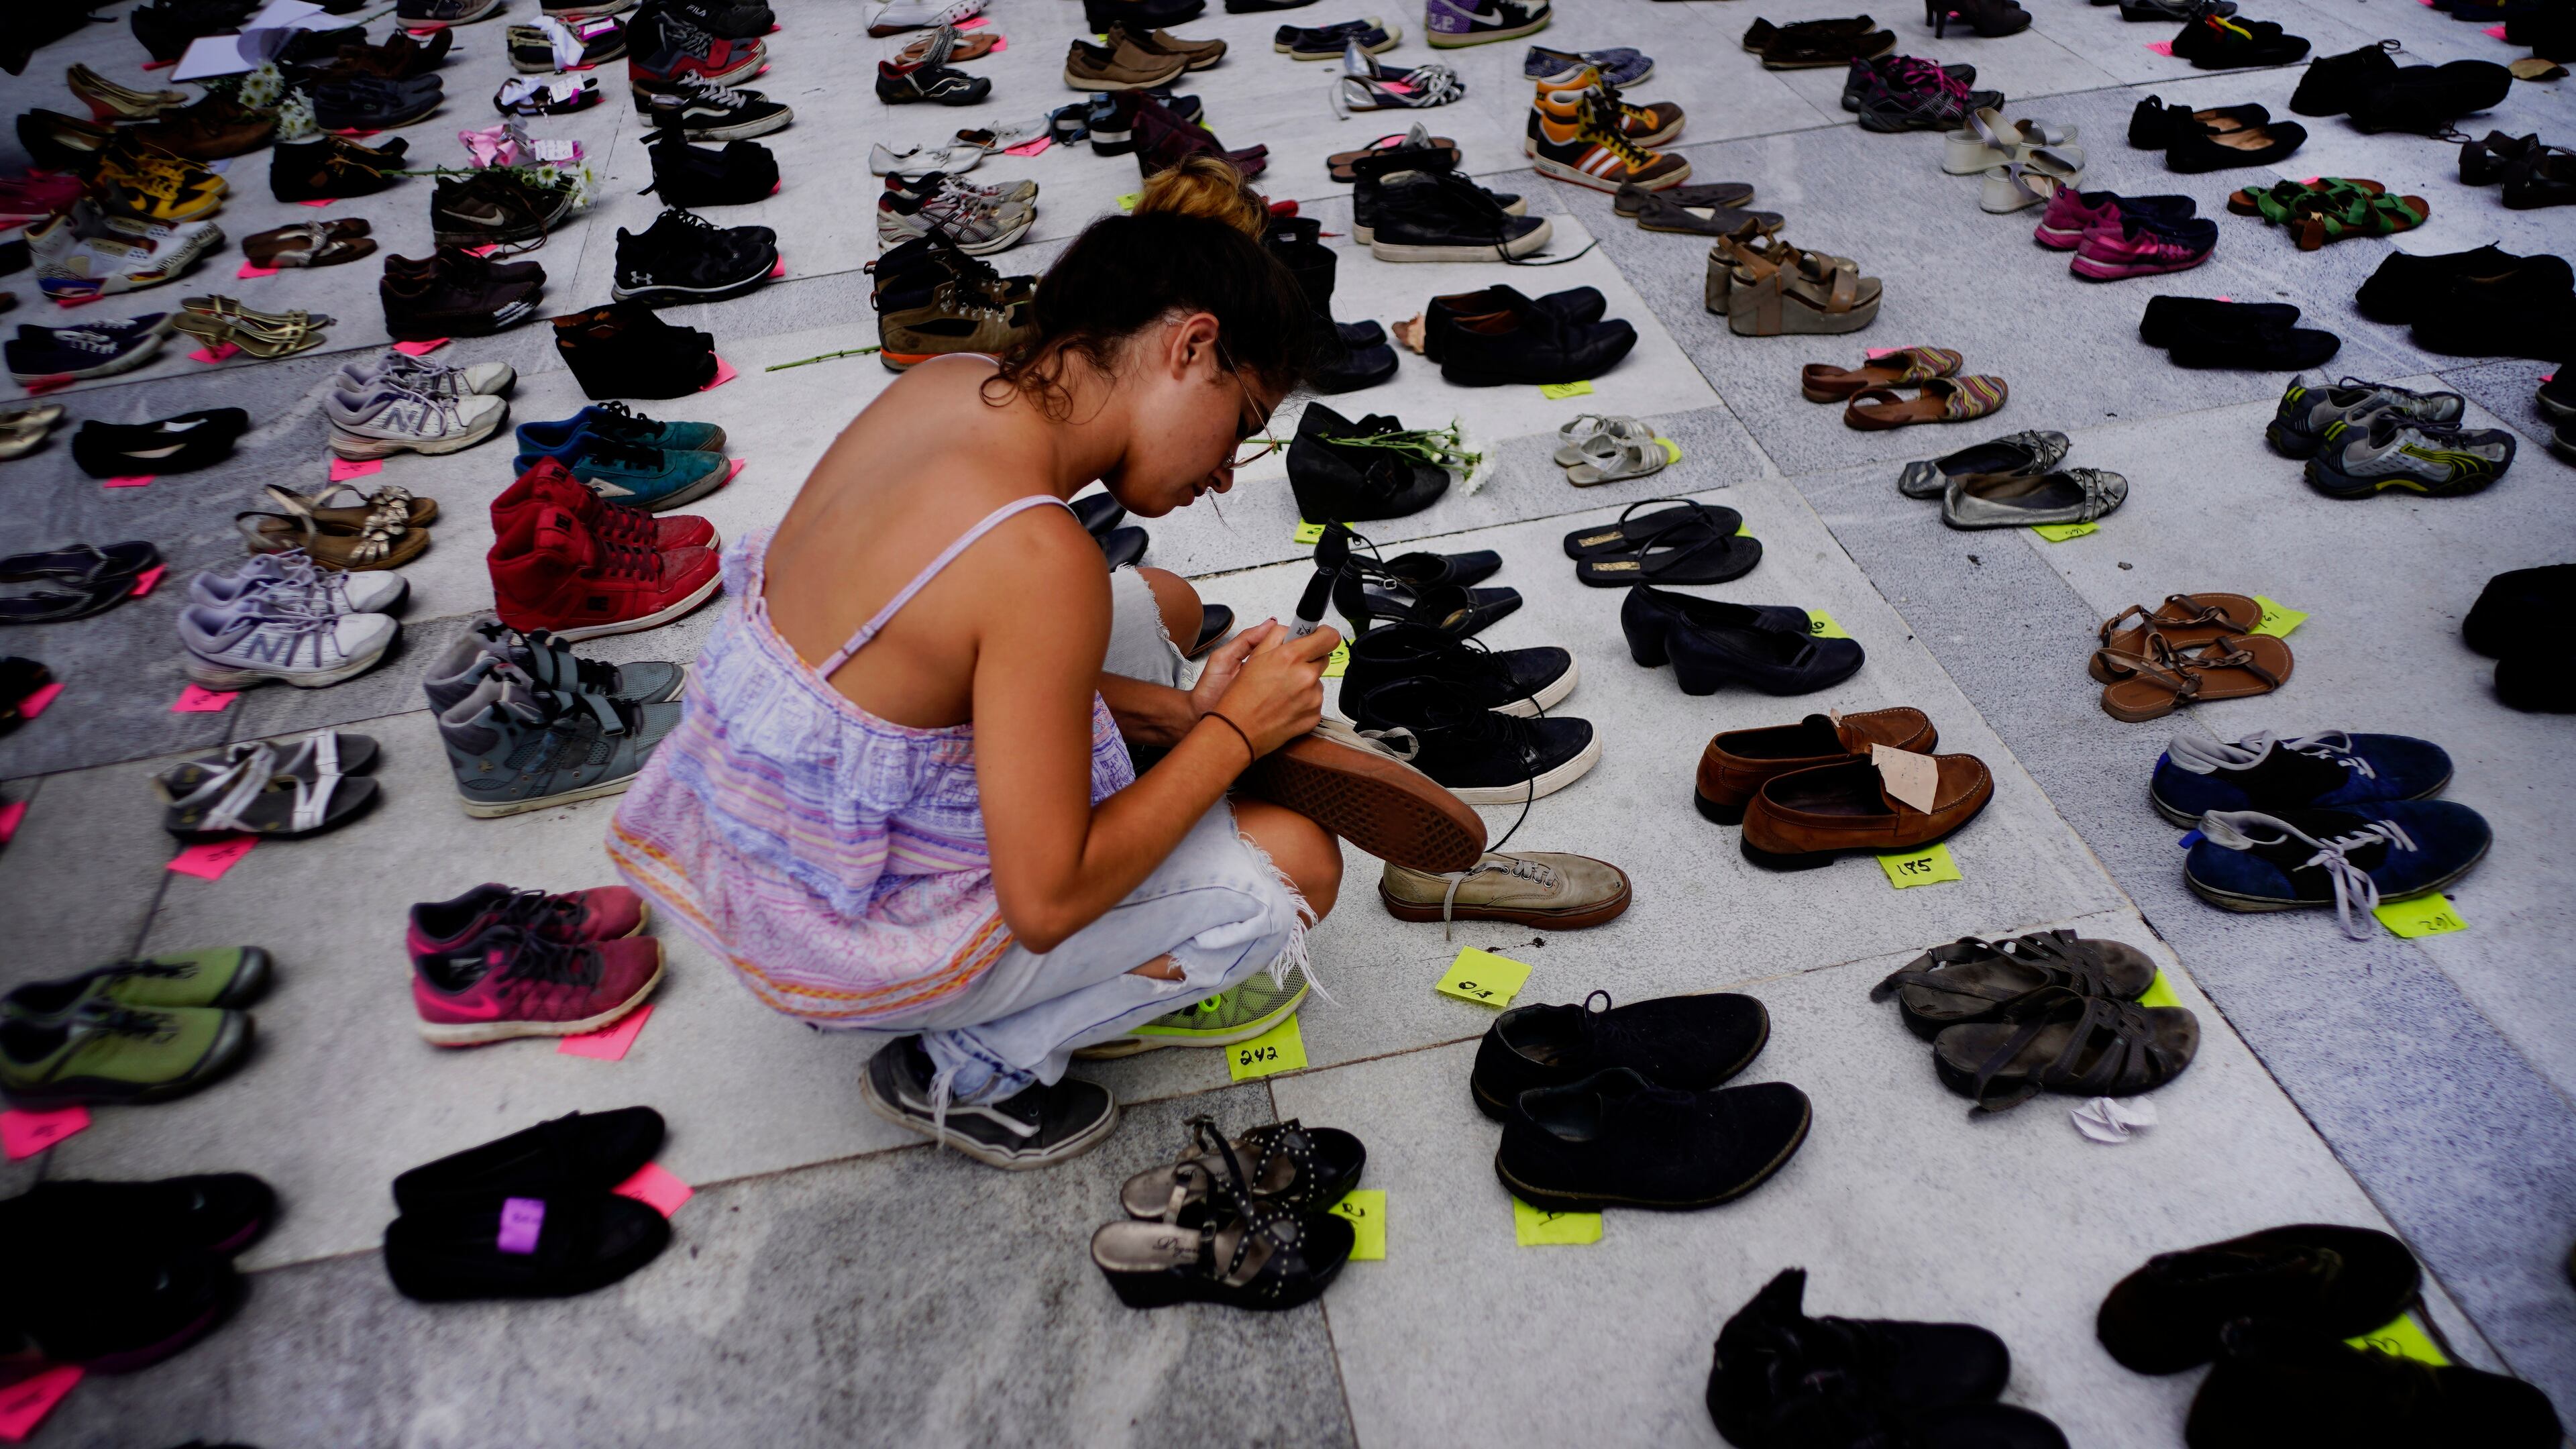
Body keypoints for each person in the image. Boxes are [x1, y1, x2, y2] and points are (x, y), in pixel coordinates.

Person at [610, 174, 1479, 1169]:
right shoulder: (1037, 557)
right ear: (1190, 346)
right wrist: (1233, 737)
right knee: (1291, 865)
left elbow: (925, 662)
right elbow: (1048, 901)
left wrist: (1185, 712)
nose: (1231, 471)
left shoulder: (946, 385)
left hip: (767, 851)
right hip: (842, 932)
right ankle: (971, 1063)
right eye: (1243, 424)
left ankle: (1151, 785)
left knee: (1150, 605)